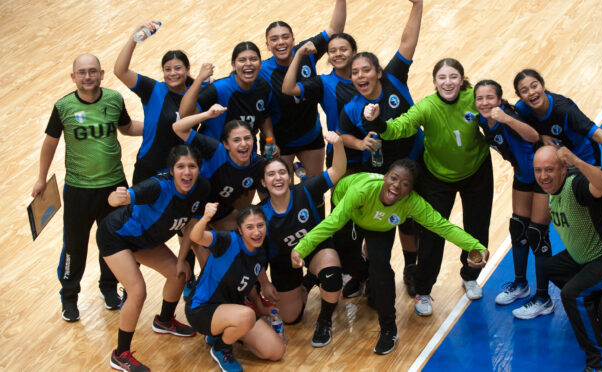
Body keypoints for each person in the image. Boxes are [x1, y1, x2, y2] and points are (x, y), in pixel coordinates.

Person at [290, 159, 488, 355]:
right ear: (385, 177)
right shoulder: (361, 191)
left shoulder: (412, 203)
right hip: (351, 212)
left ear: (410, 190)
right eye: (393, 178)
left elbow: (442, 226)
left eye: (405, 184)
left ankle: (389, 329)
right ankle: (360, 278)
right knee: (348, 262)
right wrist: (301, 248)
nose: (396, 186)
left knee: (381, 268)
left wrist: (475, 246)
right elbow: (331, 223)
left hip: (381, 226)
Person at [363, 57, 492, 314]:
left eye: (453, 77)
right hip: (437, 177)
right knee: (432, 236)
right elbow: (398, 127)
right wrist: (378, 123)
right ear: (434, 82)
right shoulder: (426, 107)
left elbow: (496, 111)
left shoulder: (473, 99)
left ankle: (470, 275)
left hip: (476, 172)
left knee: (477, 231)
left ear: (462, 79)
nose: (448, 82)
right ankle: (423, 291)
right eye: (442, 78)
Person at [31, 53, 143, 322]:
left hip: (115, 187)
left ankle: (108, 289)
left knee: (114, 242)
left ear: (102, 74)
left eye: (93, 71)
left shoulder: (114, 100)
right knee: (74, 245)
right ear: (73, 77)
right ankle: (69, 297)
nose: (88, 77)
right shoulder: (64, 107)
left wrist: (161, 127)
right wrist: (40, 178)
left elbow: (126, 128)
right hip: (79, 190)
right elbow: (50, 143)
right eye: (82, 72)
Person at [96, 145, 210, 372]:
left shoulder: (202, 188)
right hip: (116, 236)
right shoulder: (157, 187)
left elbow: (191, 228)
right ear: (171, 170)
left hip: (144, 241)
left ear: (199, 169)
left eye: (192, 166)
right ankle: (120, 355)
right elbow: (118, 199)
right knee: (137, 291)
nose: (186, 172)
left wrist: (181, 258)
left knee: (180, 273)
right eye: (180, 167)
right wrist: (114, 198)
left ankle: (164, 321)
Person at [338, 0, 424, 298]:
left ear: (377, 71)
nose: (360, 76)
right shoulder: (351, 106)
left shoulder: (394, 78)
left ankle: (411, 269)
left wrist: (418, 5)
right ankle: (372, 272)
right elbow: (343, 135)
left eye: (365, 70)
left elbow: (408, 41)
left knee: (410, 221)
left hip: (414, 159)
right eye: (355, 73)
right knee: (378, 223)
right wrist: (360, 143)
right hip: (379, 170)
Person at [534, 146, 602, 372]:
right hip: (588, 254)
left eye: (549, 170)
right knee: (550, 267)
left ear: (563, 168)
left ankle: (601, 363)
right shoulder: (551, 187)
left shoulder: (577, 185)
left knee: (573, 295)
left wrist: (575, 160)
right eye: (538, 170)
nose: (543, 176)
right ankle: (600, 315)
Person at [473, 80, 554, 319]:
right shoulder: (480, 118)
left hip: (541, 177)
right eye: (480, 98)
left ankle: (543, 298)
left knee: (537, 234)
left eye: (490, 97)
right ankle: (520, 285)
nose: (485, 102)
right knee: (518, 228)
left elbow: (533, 136)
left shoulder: (507, 118)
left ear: (499, 100)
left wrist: (506, 118)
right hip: (522, 176)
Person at [258, 131, 346, 348]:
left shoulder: (305, 190)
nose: (278, 178)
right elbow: (253, 254)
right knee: (290, 317)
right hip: (283, 262)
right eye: (271, 175)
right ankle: (306, 283)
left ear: (290, 177)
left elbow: (337, 171)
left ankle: (324, 321)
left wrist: (340, 145)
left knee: (332, 276)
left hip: (315, 249)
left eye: (282, 173)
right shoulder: (259, 215)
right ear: (263, 182)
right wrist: (265, 282)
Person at [187, 203, 284, 372]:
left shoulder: (260, 251)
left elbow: (249, 280)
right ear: (239, 230)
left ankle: (221, 333)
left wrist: (261, 303)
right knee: (246, 314)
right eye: (250, 227)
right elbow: (195, 237)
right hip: (201, 310)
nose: (256, 232)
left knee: (276, 351)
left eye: (260, 225)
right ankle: (221, 348)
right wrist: (205, 218)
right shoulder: (227, 240)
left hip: (232, 312)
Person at [259, 0, 346, 178]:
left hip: (310, 136)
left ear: (293, 39)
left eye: (285, 37)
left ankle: (302, 172)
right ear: (267, 45)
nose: (280, 42)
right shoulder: (261, 71)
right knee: (283, 195)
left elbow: (335, 29)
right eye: (274, 39)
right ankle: (299, 170)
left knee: (315, 192)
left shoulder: (306, 52)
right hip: (279, 142)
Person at [114, 21, 195, 184]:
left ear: (187, 69)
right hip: (148, 169)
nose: (173, 73)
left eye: (178, 68)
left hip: (181, 173)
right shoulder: (153, 89)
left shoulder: (198, 93)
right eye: (167, 69)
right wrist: (135, 37)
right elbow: (120, 71)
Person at [513, 68, 602, 171]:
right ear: (519, 96)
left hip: (585, 157)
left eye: (534, 86)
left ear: (543, 85)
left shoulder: (564, 110)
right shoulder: (522, 109)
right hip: (561, 163)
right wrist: (541, 137)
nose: (531, 92)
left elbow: (596, 134)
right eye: (524, 91)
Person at [173, 104, 264, 235]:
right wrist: (207, 114)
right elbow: (178, 128)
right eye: (237, 140)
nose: (243, 144)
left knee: (244, 236)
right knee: (195, 245)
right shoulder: (215, 149)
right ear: (226, 144)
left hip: (219, 211)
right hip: (191, 208)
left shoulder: (257, 164)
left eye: (247, 138)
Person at [177, 42, 275, 154]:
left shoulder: (264, 88)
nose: (248, 63)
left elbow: (264, 117)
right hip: (215, 158)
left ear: (260, 64)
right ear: (233, 64)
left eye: (253, 59)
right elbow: (184, 114)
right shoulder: (218, 88)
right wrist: (199, 79)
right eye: (242, 60)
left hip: (246, 156)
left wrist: (270, 141)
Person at [281, 33, 358, 167]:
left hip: (369, 153)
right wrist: (298, 54)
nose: (338, 54)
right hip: (340, 156)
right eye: (332, 51)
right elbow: (288, 88)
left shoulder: (367, 79)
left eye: (343, 49)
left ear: (354, 52)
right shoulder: (323, 83)